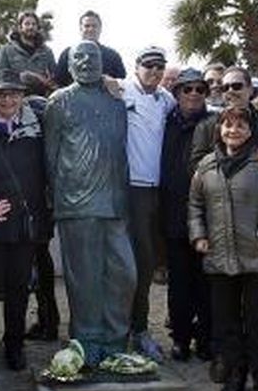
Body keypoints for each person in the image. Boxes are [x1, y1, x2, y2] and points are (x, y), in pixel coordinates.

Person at [188, 107, 258, 391]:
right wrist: (199, 235)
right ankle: (235, 376)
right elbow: (194, 203)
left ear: (250, 130)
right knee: (227, 323)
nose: (234, 131)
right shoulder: (206, 165)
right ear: (219, 129)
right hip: (220, 256)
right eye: (228, 125)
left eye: (241, 126)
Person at [43, 42, 138, 367]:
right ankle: (87, 340)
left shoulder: (116, 99)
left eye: (92, 57)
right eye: (78, 58)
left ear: (103, 62)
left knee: (125, 273)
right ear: (69, 67)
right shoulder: (59, 101)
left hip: (115, 202)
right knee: (84, 278)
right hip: (76, 203)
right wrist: (59, 199)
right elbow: (50, 156)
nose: (85, 63)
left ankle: (114, 339)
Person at [0, 75, 51, 373]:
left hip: (24, 222)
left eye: (14, 95)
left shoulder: (37, 130)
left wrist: (43, 217)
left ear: (22, 97)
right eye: (2, 95)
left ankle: (15, 345)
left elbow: (46, 173)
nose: (7, 101)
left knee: (18, 287)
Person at [123, 46, 176, 360]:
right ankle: (127, 329)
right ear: (136, 66)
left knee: (149, 264)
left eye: (160, 67)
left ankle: (139, 328)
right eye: (149, 65)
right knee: (130, 265)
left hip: (157, 192)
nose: (154, 72)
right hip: (128, 190)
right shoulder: (120, 91)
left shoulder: (167, 99)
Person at [160, 69, 214, 361]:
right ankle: (180, 337)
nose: (193, 94)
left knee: (206, 283)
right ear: (177, 93)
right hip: (173, 212)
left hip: (208, 215)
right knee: (179, 283)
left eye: (199, 89)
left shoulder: (215, 123)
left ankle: (206, 339)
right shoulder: (164, 122)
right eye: (187, 89)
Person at [53, 10, 125, 83]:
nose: (91, 29)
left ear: (100, 29)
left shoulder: (113, 56)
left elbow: (121, 83)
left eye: (94, 26)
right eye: (87, 26)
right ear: (81, 29)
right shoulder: (68, 54)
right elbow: (59, 82)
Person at [0, 11, 55, 97]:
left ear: (38, 28)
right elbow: (0, 77)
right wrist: (26, 77)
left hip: (42, 98)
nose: (31, 27)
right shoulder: (6, 50)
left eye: (34, 24)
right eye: (27, 24)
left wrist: (46, 82)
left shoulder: (47, 52)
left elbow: (54, 79)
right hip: (15, 99)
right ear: (20, 27)